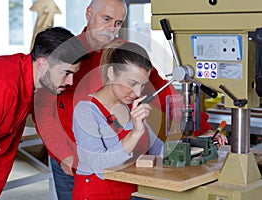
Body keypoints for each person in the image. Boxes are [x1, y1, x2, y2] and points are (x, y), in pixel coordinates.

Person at [38, 0, 228, 199]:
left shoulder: (127, 54)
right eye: (106, 19)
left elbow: (165, 93)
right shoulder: (65, 52)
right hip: (70, 157)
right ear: (88, 13)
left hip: (120, 157)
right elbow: (43, 110)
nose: (111, 28)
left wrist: (201, 128)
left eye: (118, 23)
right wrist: (62, 152)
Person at [0, 27, 88, 200]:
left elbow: (5, 146)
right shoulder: (1, 87)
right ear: (43, 64)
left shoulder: (28, 84)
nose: (70, 81)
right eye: (66, 73)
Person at [72, 41, 164, 200]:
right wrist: (135, 133)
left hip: (130, 193)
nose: (137, 92)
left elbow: (157, 149)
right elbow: (100, 165)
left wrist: (192, 150)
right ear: (111, 73)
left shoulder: (130, 108)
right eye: (132, 83)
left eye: (142, 86)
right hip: (96, 194)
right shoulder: (86, 111)